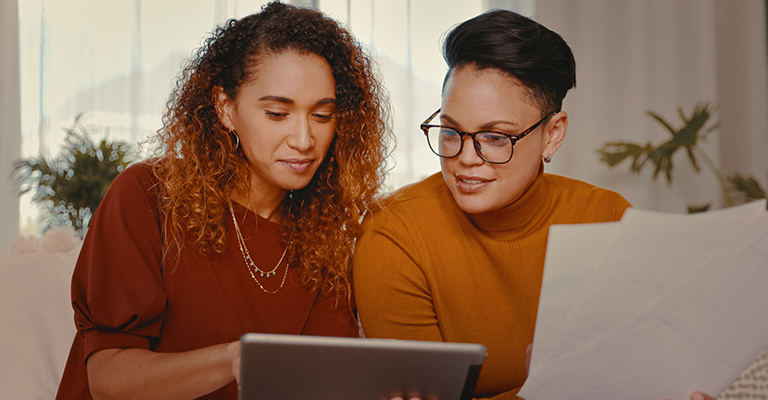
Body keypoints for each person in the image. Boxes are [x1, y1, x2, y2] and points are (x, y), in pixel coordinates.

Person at [352, 9, 716, 400]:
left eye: (495, 137)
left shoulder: (608, 219)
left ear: (552, 135)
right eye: (451, 131)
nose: (465, 157)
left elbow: (649, 372)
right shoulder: (393, 234)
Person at [55, 2, 390, 399]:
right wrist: (234, 360)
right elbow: (109, 379)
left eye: (322, 116)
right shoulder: (146, 195)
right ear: (225, 108)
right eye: (278, 113)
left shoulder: (325, 237)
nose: (304, 140)